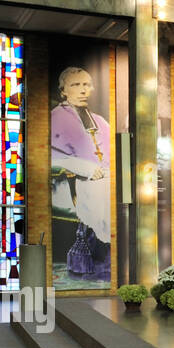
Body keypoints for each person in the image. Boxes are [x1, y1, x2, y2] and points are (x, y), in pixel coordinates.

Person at [50, 66, 111, 281]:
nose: (83, 90)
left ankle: (105, 258)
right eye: (76, 85)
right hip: (68, 185)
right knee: (99, 190)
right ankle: (98, 259)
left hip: (101, 180)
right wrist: (83, 167)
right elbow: (48, 158)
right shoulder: (55, 118)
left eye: (86, 84)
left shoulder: (100, 121)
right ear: (63, 90)